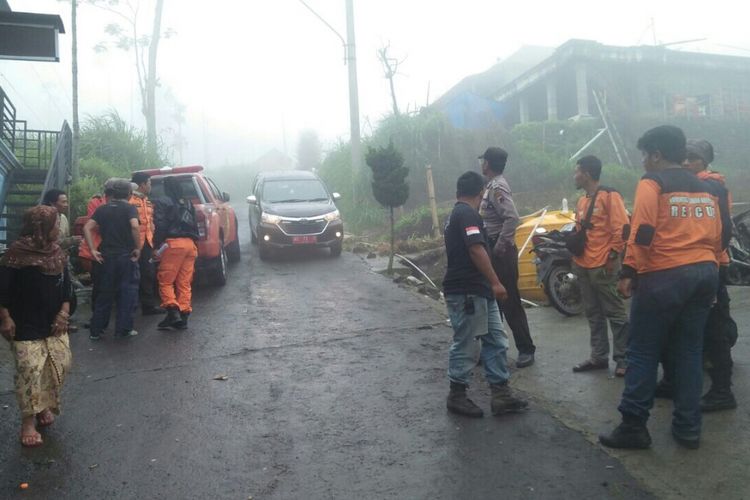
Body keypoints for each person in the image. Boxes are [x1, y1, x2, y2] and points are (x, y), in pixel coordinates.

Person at [599, 125, 721, 450]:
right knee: (690, 352)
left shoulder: (653, 182)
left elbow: (643, 230)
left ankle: (634, 426)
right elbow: (717, 237)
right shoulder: (705, 187)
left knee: (642, 351)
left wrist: (629, 271)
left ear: (655, 154)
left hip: (665, 275)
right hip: (705, 273)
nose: (643, 162)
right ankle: (688, 428)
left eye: (644, 155)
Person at [443, 170, 528, 418]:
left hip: (478, 290)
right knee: (467, 343)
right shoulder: (467, 213)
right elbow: (476, 249)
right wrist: (496, 282)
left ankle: (501, 394)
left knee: (496, 340)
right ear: (480, 192)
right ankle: (456, 395)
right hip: (467, 291)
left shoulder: (458, 213)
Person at [0, 205, 73, 447]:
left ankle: (43, 407)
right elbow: (3, 290)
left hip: (54, 323)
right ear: (41, 227)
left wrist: (64, 312)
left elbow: (67, 288)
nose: (58, 230)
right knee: (30, 370)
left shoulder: (57, 253)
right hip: (24, 323)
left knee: (56, 367)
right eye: (55, 225)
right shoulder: (15, 254)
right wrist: (5, 317)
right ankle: (28, 422)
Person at [683, 139, 737, 412]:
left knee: (715, 328)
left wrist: (711, 257)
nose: (687, 162)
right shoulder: (692, 185)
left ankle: (722, 391)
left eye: (692, 158)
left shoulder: (712, 185)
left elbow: (723, 228)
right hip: (704, 264)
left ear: (704, 161)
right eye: (685, 158)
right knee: (703, 326)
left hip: (713, 265)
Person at [570, 156, 631, 376]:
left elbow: (622, 228)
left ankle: (623, 359)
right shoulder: (582, 200)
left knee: (615, 313)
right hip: (583, 264)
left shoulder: (609, 196)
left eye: (577, 171)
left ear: (586, 174)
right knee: (593, 313)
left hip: (603, 265)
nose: (574, 175)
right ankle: (598, 357)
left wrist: (612, 256)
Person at [478, 147, 536, 368]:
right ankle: (492, 350)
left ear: (488, 164)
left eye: (483, 161)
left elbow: (512, 218)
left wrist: (499, 247)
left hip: (500, 252)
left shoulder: (497, 187)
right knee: (493, 304)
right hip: (492, 250)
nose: (481, 164)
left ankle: (526, 349)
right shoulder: (490, 186)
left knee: (510, 302)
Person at [83, 178, 141, 340]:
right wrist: (137, 247)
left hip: (106, 257)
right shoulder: (130, 209)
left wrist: (93, 249)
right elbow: (135, 226)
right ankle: (124, 329)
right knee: (127, 292)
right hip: (125, 256)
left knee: (104, 293)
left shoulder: (102, 209)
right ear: (129, 194)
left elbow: (87, 227)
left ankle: (96, 330)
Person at [153, 176, 199, 330]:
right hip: (190, 245)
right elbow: (194, 224)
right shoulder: (187, 202)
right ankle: (184, 315)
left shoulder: (163, 202)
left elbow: (160, 224)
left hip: (173, 245)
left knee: (165, 281)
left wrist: (156, 244)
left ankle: (173, 312)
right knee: (184, 282)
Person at [129, 172, 163, 316]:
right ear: (142, 184)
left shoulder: (147, 201)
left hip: (147, 243)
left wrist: (154, 244)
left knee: (148, 274)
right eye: (149, 183)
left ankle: (148, 306)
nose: (150, 186)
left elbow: (150, 223)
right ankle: (131, 306)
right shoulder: (129, 200)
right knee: (132, 276)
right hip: (133, 244)